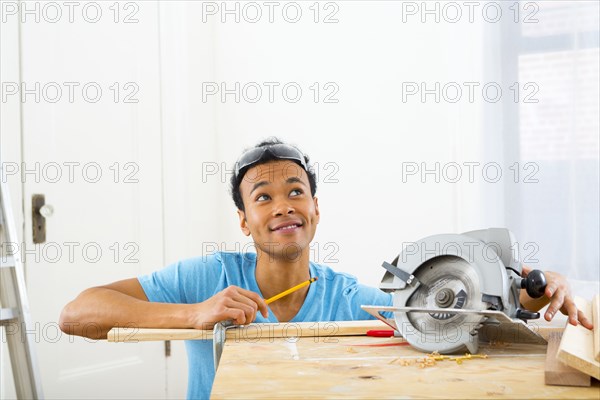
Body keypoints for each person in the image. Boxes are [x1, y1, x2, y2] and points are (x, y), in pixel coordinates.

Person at [60, 137, 592, 399]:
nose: (284, 204)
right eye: (263, 197)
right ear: (244, 221)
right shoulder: (208, 276)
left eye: (297, 191)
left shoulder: (348, 297)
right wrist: (195, 314)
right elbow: (77, 312)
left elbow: (444, 319)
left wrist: (526, 295)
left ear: (316, 211)